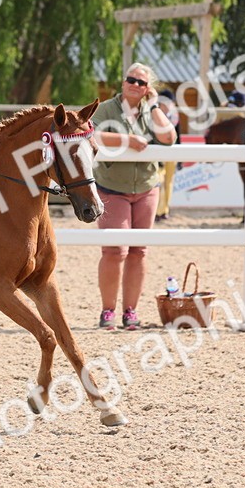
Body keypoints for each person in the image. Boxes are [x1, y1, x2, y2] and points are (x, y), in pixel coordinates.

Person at [91, 62, 177, 329]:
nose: (135, 85)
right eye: (131, 79)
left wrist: (153, 106)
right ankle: (108, 311)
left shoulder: (151, 112)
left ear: (148, 88)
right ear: (123, 81)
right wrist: (127, 140)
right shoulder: (105, 108)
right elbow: (88, 133)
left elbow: (169, 138)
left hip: (146, 187)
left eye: (141, 82)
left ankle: (131, 311)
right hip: (111, 187)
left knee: (139, 251)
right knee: (115, 250)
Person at [153, 88, 183, 222]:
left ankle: (165, 210)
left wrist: (180, 156)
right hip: (158, 153)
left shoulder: (174, 116)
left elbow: (179, 136)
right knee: (159, 180)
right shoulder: (154, 115)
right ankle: (157, 210)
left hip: (172, 153)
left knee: (169, 183)